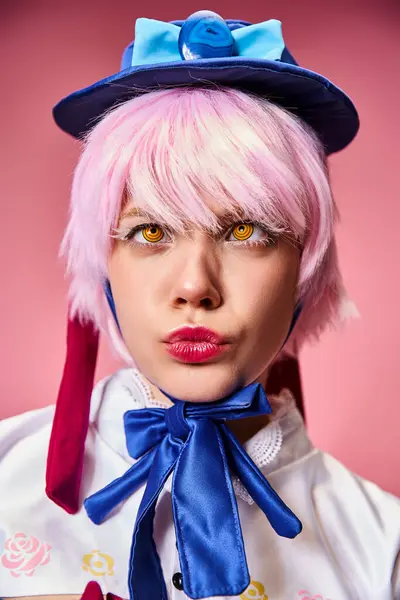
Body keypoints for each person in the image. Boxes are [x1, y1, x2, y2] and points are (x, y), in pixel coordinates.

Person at [0, 9, 399, 600]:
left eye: (246, 233)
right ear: (101, 265)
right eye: (150, 232)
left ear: (305, 269)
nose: (195, 286)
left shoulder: (381, 545)